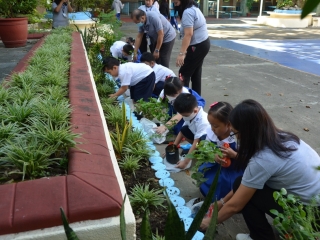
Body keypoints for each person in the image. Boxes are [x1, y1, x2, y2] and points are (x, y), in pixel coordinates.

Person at [200, 99, 320, 240]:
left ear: (247, 132)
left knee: (246, 194)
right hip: (312, 200)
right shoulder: (281, 137)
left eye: (234, 133)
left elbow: (236, 205)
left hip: (312, 215)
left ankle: (261, 237)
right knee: (241, 183)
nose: (235, 137)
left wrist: (208, 222)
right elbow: (247, 182)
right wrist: (222, 202)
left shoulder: (263, 159)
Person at [199, 102, 244, 201]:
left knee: (224, 183)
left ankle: (224, 200)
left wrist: (234, 155)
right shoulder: (211, 133)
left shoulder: (237, 137)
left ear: (228, 124)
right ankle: (211, 196)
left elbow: (247, 158)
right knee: (206, 176)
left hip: (233, 168)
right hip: (216, 164)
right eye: (210, 124)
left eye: (215, 126)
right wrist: (213, 155)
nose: (212, 128)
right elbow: (206, 147)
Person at [173, 0, 210, 95]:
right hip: (202, 44)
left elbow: (188, 34)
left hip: (198, 45)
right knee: (195, 74)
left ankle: (185, 102)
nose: (173, 1)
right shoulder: (193, 8)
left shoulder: (188, 12)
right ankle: (196, 101)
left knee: (183, 74)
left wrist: (182, 53)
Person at [171, 93, 210, 169]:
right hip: (197, 137)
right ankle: (195, 151)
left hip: (207, 142)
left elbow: (197, 142)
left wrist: (185, 163)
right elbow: (182, 132)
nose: (184, 117)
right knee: (184, 129)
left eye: (185, 115)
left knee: (201, 139)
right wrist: (173, 147)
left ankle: (202, 153)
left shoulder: (204, 121)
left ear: (195, 110)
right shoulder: (190, 115)